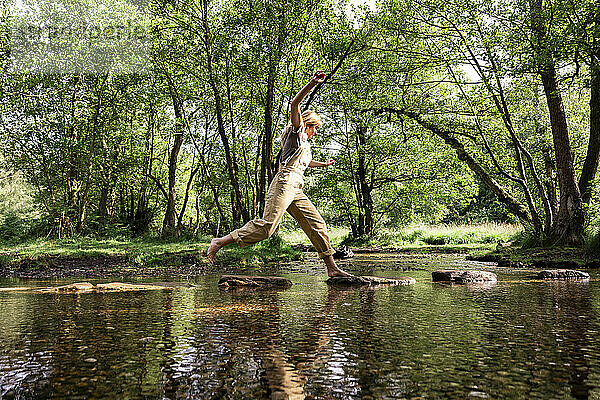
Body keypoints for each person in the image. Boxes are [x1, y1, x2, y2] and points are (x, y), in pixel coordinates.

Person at [207, 70, 352, 277]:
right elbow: (294, 104)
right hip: (284, 183)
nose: (316, 132)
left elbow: (305, 162)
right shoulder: (297, 132)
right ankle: (219, 242)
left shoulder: (304, 144)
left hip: (296, 186)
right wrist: (312, 84)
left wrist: (323, 164)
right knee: (267, 228)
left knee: (317, 224)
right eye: (315, 128)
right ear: (307, 124)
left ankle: (332, 269)